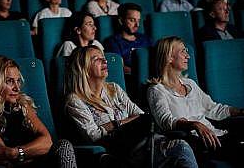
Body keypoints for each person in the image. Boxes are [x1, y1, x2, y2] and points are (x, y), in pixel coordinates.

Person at [65, 45, 198, 167]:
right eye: (96, 59)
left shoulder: (114, 89)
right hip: (119, 150)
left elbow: (141, 115)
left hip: (142, 142)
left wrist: (114, 125)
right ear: (84, 68)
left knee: (182, 146)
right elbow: (93, 135)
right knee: (180, 148)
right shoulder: (75, 100)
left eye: (103, 58)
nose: (104, 61)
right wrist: (125, 122)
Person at [147, 36, 244, 166]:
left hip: (214, 136)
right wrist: (194, 124)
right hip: (195, 142)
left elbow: (213, 108)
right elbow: (166, 121)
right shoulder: (156, 90)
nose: (188, 56)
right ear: (169, 57)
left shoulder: (190, 83)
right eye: (183, 51)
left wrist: (241, 111)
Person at [0, 55, 77, 168]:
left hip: (37, 161)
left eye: (18, 81)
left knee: (64, 145)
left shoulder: (22, 104)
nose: (17, 88)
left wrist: (17, 152)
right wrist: (31, 151)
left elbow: (47, 142)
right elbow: (5, 155)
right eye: (9, 81)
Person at [105, 3, 152, 74]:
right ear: (121, 21)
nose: (137, 25)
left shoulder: (146, 39)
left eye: (138, 20)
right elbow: (119, 67)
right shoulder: (113, 42)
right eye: (132, 20)